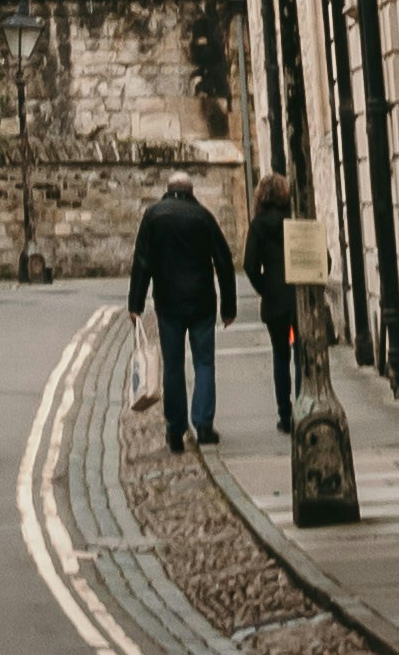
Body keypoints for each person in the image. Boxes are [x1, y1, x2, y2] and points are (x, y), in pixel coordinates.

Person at [127, 169, 241, 453]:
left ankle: (175, 429)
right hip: (202, 302)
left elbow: (142, 261)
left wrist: (135, 304)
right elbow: (224, 261)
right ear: (191, 191)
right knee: (204, 362)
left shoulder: (153, 216)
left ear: (168, 189)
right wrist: (229, 307)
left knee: (173, 366)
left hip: (168, 303)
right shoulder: (203, 217)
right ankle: (203, 424)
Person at [243, 166, 301, 434]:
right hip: (300, 295)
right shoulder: (296, 220)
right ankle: (303, 409)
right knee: (302, 355)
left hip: (275, 299)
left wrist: (265, 288)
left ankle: (284, 413)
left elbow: (250, 265)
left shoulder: (258, 225)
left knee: (281, 355)